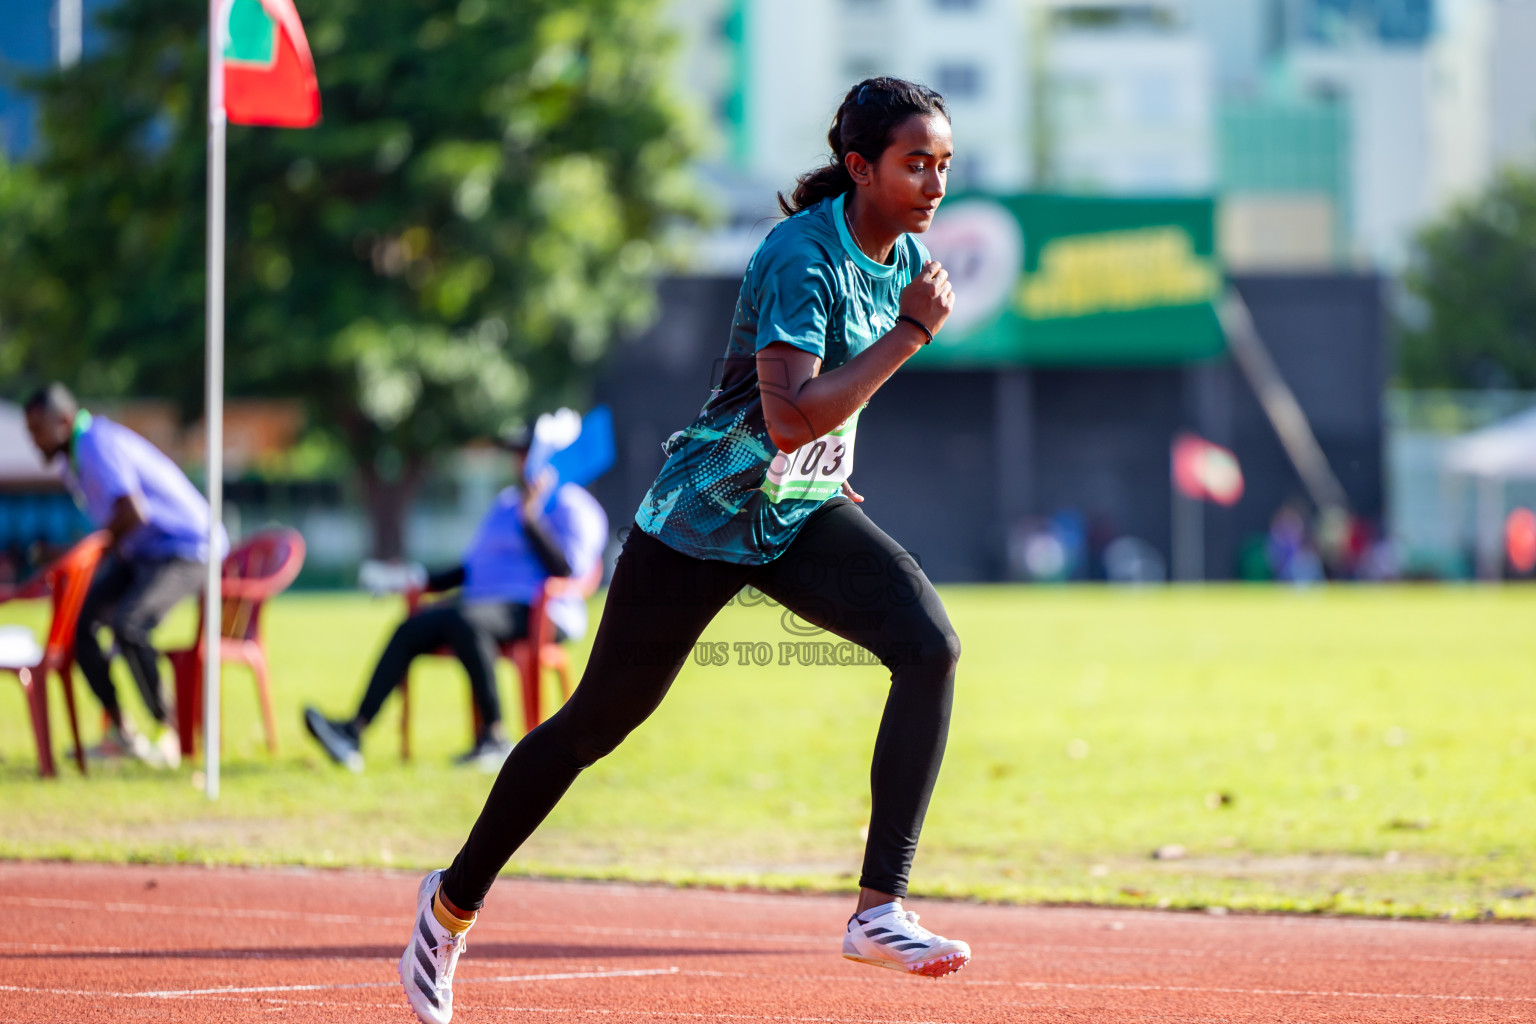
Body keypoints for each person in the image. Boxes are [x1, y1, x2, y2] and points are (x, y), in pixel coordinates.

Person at [397, 78, 965, 1024]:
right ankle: (448, 906)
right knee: (594, 726)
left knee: (930, 645)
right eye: (916, 164)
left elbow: (809, 420)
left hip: (791, 511)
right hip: (700, 518)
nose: (934, 184)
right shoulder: (801, 254)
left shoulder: (903, 251)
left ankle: (879, 910)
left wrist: (832, 457)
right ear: (860, 167)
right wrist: (910, 334)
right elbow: (785, 419)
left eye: (944, 164)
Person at [303, 428, 609, 772]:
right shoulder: (505, 504)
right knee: (410, 629)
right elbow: (473, 567)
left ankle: (494, 737)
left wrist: (531, 517)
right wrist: (416, 578)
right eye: (517, 453)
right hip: (481, 606)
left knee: (466, 619)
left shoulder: (575, 507)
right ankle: (352, 732)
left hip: (542, 611)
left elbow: (566, 569)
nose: (519, 461)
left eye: (527, 452)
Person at [23, 383, 228, 768]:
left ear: (64, 421)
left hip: (188, 548)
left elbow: (133, 513)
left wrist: (86, 551)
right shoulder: (74, 457)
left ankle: (171, 731)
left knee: (129, 623)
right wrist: (73, 552)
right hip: (143, 551)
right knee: (79, 625)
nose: (34, 441)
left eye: (38, 429)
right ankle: (123, 734)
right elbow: (114, 524)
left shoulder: (96, 445)